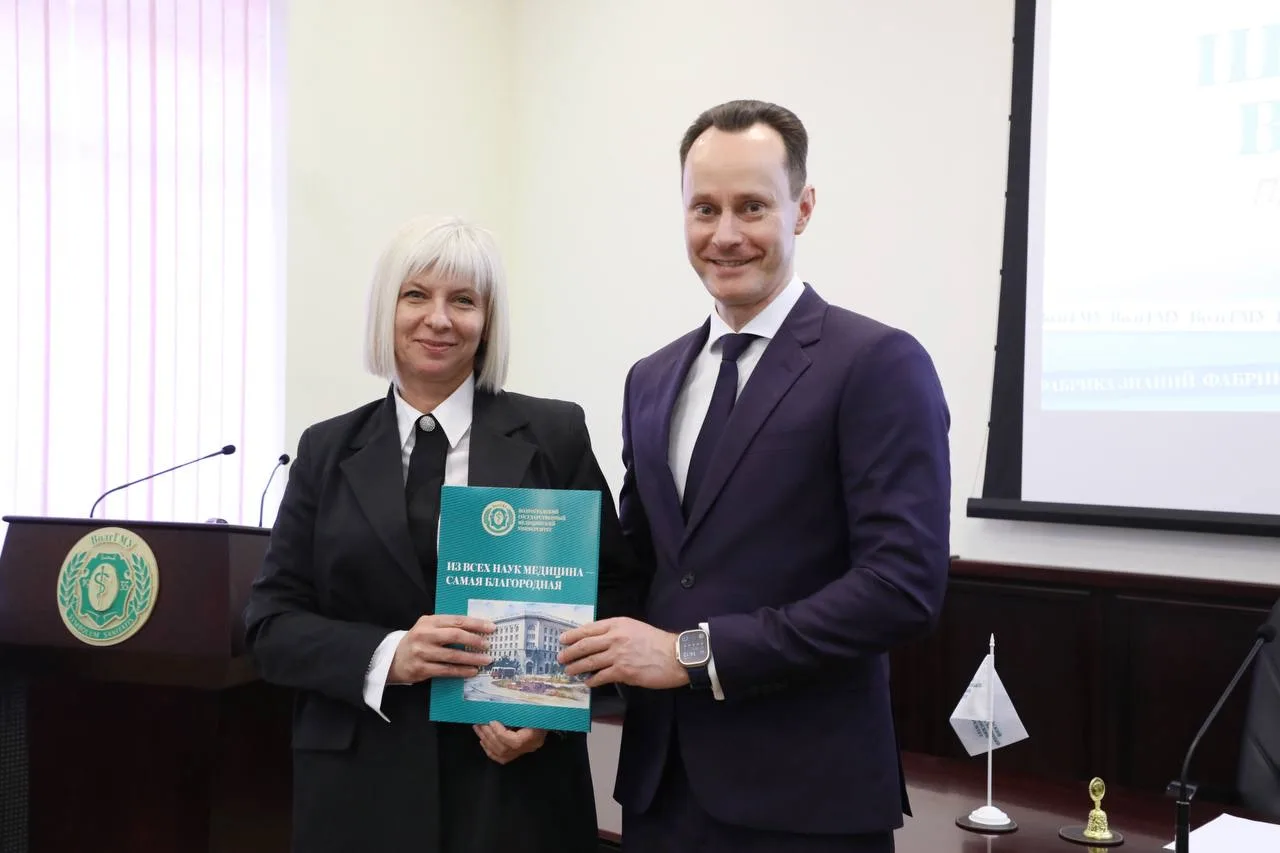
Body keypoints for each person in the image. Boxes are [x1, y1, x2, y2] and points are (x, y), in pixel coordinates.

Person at [557, 99, 951, 852]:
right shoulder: (650, 378)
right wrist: (531, 681)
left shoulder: (877, 363)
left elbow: (901, 587)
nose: (726, 234)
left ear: (802, 208)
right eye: (704, 208)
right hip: (661, 790)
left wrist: (693, 654)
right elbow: (641, 568)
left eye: (752, 207)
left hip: (805, 801)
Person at [243, 216, 644, 853]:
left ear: (488, 321)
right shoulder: (325, 449)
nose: (439, 319)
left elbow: (616, 594)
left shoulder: (555, 436)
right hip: (361, 788)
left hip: (514, 787)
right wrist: (389, 656)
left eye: (463, 300)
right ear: (387, 309)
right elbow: (271, 627)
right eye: (416, 296)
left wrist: (548, 709)